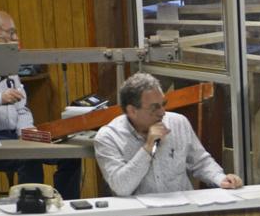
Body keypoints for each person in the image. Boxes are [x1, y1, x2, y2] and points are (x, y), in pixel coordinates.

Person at [0, 9, 81, 200]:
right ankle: (32, 209)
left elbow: (21, 108)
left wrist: (27, 130)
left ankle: (65, 207)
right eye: (11, 33)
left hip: (14, 135)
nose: (16, 38)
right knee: (29, 158)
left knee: (69, 155)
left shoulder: (7, 64)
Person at [94, 72, 242, 196]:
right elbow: (121, 188)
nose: (162, 113)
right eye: (154, 108)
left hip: (183, 210)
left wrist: (220, 178)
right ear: (132, 110)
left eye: (163, 104)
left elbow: (200, 162)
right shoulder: (108, 137)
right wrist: (148, 147)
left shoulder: (178, 122)